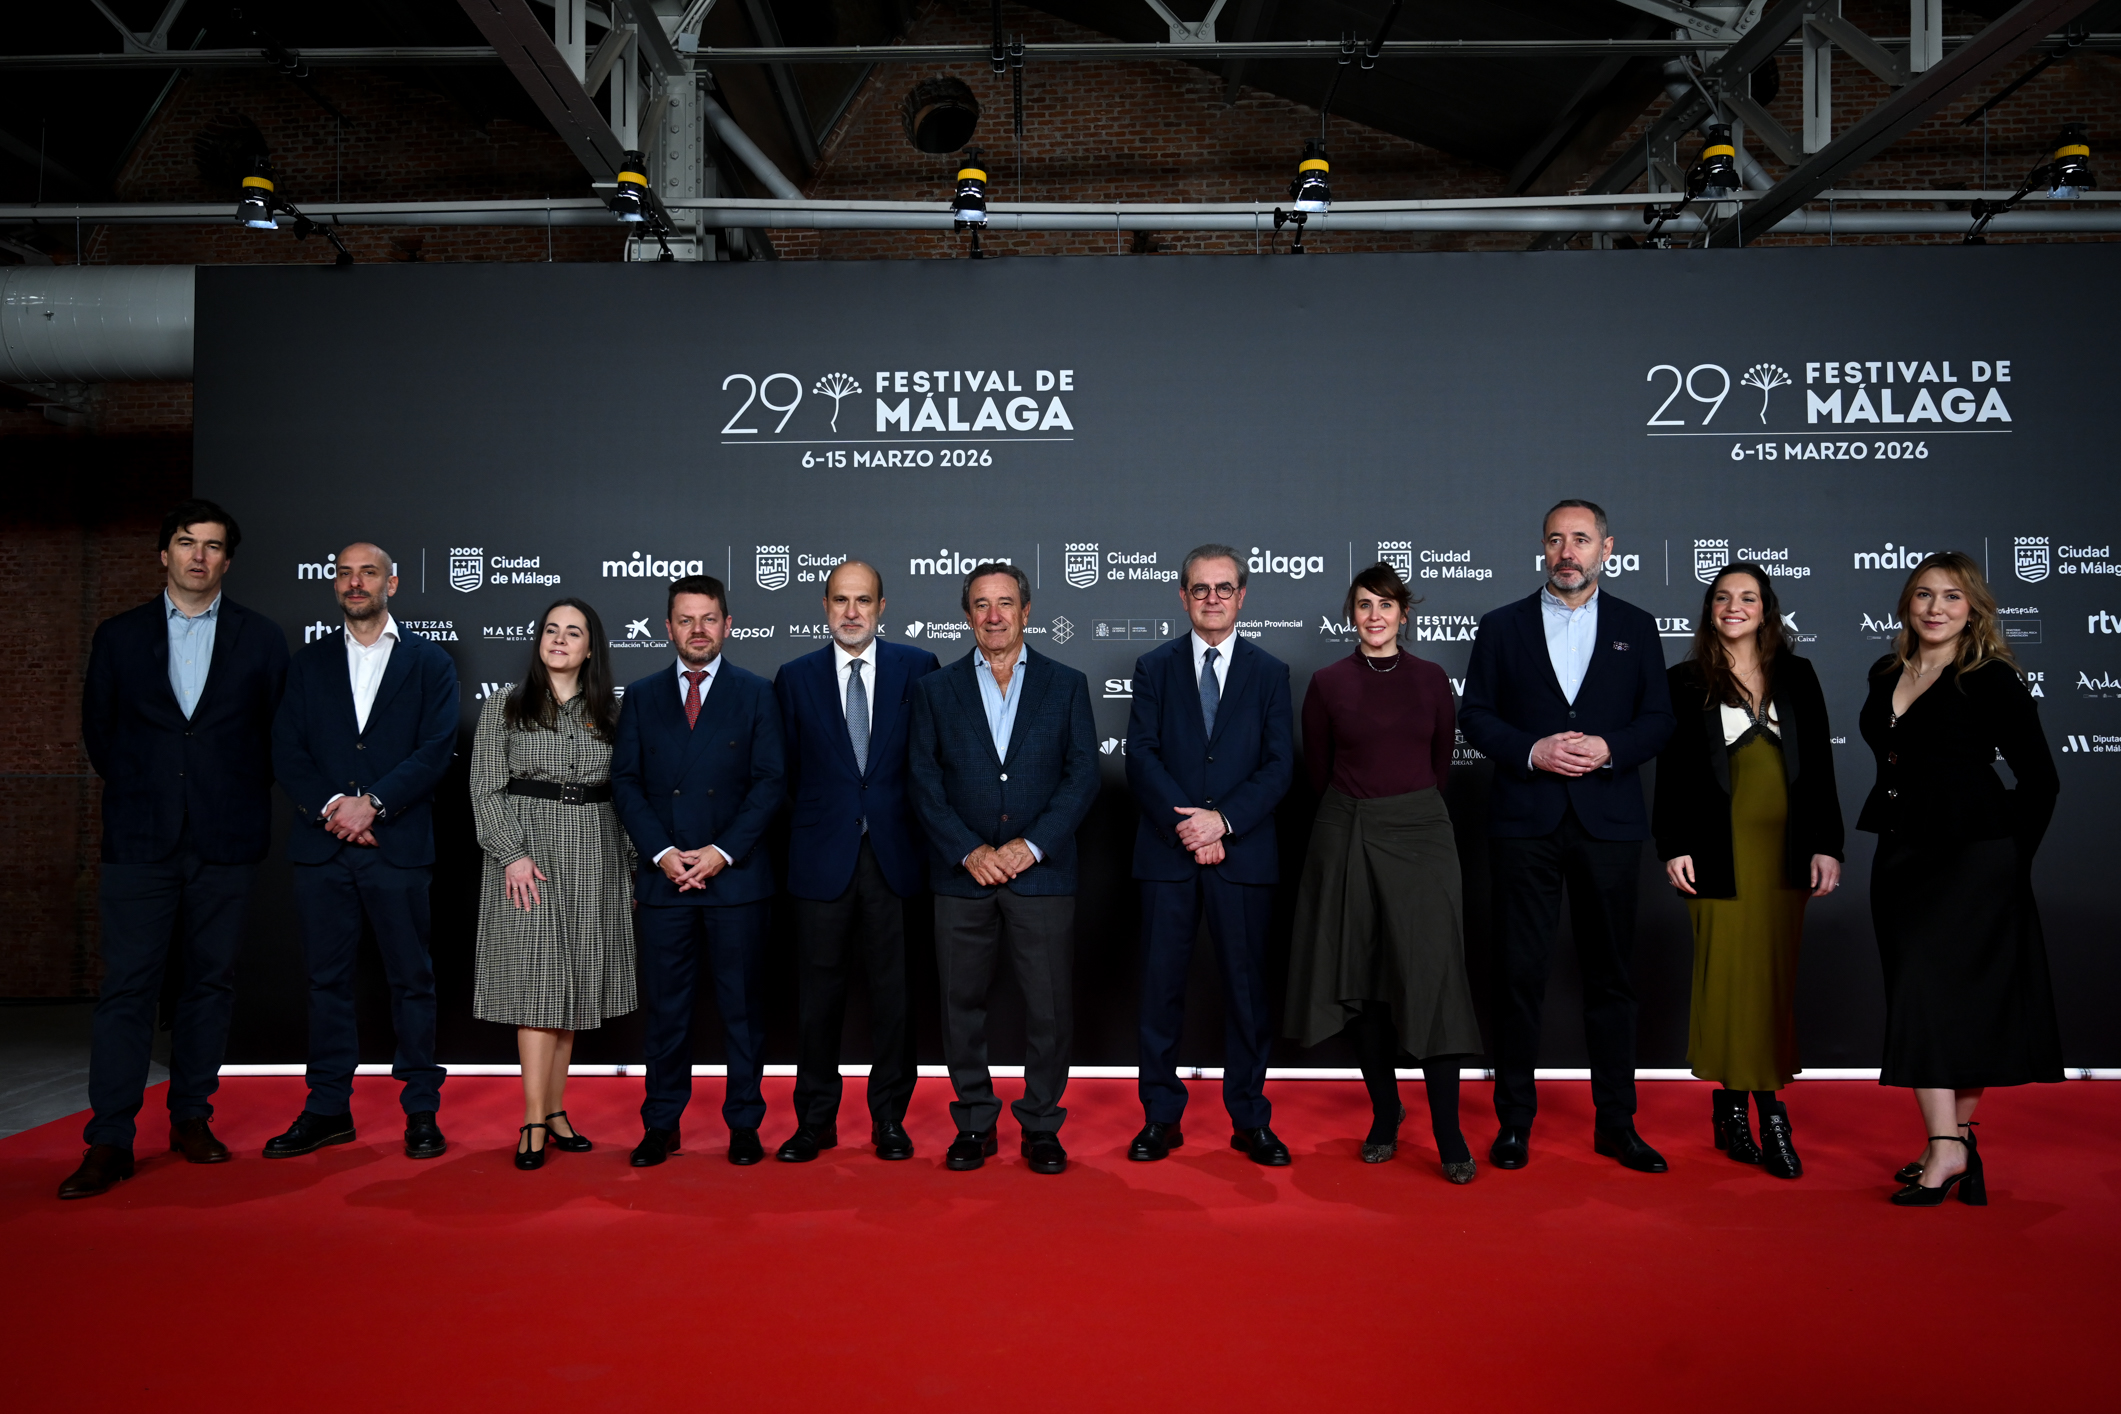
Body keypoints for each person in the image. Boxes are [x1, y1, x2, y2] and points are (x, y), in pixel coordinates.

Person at [60, 501, 290, 1200]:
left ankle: (191, 1116)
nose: (198, 556)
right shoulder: (119, 636)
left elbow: (274, 736)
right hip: (139, 840)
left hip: (225, 840)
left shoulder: (262, 639)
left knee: (208, 986)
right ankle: (109, 1139)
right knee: (128, 988)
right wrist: (151, 792)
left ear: (227, 560)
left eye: (213, 546)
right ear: (164, 554)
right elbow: (101, 736)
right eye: (186, 543)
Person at [1460, 499, 1676, 1173]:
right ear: (1542, 549)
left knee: (1611, 979)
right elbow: (1476, 716)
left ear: (1605, 548)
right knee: (1518, 975)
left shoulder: (1637, 628)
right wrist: (1532, 751)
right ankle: (1514, 1123)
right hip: (1525, 822)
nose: (1566, 551)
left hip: (1607, 823)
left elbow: (1658, 720)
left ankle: (1616, 1122)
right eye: (1554, 539)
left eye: (1579, 539)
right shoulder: (1500, 626)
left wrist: (1608, 748)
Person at [1859, 551, 2060, 1207]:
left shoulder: (1990, 678)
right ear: (1905, 605)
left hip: (1973, 863)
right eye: (1922, 595)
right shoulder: (1885, 670)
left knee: (1936, 995)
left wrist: (2006, 859)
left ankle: (1945, 1147)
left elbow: (2039, 781)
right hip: (1899, 856)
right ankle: (1956, 1141)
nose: (1935, 608)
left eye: (1950, 596)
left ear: (1971, 607)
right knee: (1923, 992)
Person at [1287, 563, 1483, 1182]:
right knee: (1364, 980)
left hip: (1422, 834)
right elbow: (1317, 770)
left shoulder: (1431, 680)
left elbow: (1439, 763)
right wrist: (1360, 816)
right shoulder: (1326, 682)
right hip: (1345, 833)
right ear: (1352, 614)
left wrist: (1402, 813)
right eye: (1364, 605)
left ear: (1404, 613)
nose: (1375, 615)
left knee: (1434, 980)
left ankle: (1448, 1129)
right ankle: (1385, 1112)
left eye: (1386, 605)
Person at [267, 543, 458, 1160]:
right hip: (323, 850)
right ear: (334, 584)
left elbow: (434, 750)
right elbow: (287, 749)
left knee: (413, 982)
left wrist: (372, 803)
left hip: (397, 846)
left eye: (367, 572)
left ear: (391, 584)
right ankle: (326, 1109)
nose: (355, 583)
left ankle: (421, 1113)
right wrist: (333, 808)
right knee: (326, 983)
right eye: (344, 573)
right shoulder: (307, 663)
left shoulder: (430, 663)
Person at [1653, 565, 1843, 1180]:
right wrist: (1672, 844)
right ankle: (1767, 1115)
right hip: (1717, 853)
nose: (1735, 607)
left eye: (1748, 598)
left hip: (1785, 853)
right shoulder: (1683, 681)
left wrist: (1827, 845)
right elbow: (1673, 773)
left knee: (1771, 980)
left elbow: (1818, 769)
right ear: (1710, 610)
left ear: (1767, 609)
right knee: (1728, 978)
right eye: (1723, 598)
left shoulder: (1799, 674)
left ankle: (1736, 1108)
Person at [908, 563, 1098, 1175]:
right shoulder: (935, 689)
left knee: (1048, 1007)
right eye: (982, 605)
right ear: (967, 614)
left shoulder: (1067, 684)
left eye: (1006, 603)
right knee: (961, 1004)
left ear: (1026, 610)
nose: (994, 615)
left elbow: (1082, 778)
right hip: (962, 876)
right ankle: (974, 1123)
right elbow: (923, 781)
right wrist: (969, 851)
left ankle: (1042, 1123)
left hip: (1041, 874)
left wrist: (1031, 846)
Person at [1125, 544, 1296, 1166]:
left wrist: (1222, 822)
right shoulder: (1153, 666)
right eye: (1201, 589)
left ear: (1243, 595)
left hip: (1243, 853)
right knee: (1159, 991)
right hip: (1167, 855)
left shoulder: (1270, 672)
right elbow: (1140, 756)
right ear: (1182, 595)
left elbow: (1280, 766)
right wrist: (1189, 828)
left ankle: (1250, 1120)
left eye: (1224, 588)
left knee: (1247, 994)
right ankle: (1160, 1119)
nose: (1213, 598)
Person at [611, 574, 785, 1169]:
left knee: (742, 1011)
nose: (698, 630)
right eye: (685, 619)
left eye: (709, 618)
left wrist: (720, 852)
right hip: (665, 880)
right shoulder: (639, 695)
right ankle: (661, 1122)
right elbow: (626, 784)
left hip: (735, 879)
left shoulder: (758, 693)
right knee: (666, 1012)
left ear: (728, 624)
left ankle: (743, 1123)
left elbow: (770, 784)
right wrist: (663, 853)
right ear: (667, 628)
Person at [772, 561, 940, 1163]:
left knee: (895, 998)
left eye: (862, 600)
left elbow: (931, 763)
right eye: (840, 600)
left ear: (881, 606)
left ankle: (889, 1119)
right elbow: (782, 773)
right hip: (821, 859)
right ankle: (815, 1120)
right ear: (825, 606)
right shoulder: (794, 678)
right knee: (818, 1001)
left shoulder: (917, 669)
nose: (851, 612)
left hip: (896, 858)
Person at [470, 598, 637, 1170]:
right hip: (529, 858)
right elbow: (485, 790)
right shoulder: (504, 709)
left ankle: (558, 1108)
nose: (560, 640)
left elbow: (629, 792)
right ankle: (533, 1118)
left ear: (591, 648)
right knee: (538, 993)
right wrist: (511, 855)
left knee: (572, 991)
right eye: (551, 630)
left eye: (574, 633)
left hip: (596, 851)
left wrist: (635, 864)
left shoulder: (613, 713)